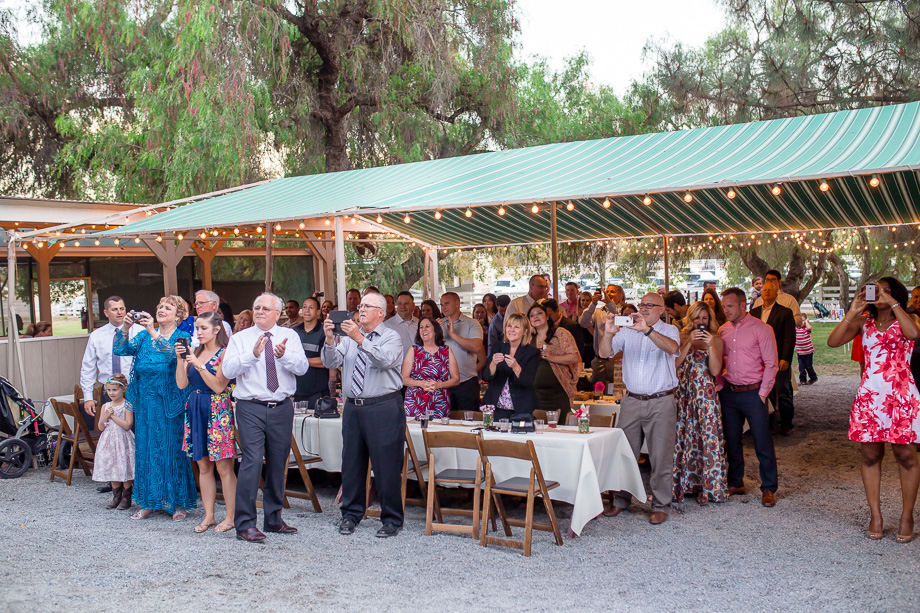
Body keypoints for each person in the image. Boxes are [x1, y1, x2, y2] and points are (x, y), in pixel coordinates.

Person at [828, 278, 920, 543]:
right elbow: (833, 342)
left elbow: (913, 335)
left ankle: (907, 516)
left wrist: (892, 303)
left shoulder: (907, 320)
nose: (878, 293)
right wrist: (852, 311)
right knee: (870, 456)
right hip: (871, 397)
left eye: (885, 289)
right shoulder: (863, 323)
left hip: (901, 396)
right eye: (875, 289)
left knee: (906, 456)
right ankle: (876, 515)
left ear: (897, 295)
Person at [221, 292, 309, 543]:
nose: (258, 311)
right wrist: (253, 354)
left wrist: (284, 356)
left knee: (278, 462)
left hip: (282, 406)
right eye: (256, 307)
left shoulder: (290, 336)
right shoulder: (239, 338)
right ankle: (245, 524)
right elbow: (227, 370)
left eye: (264, 308)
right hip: (251, 407)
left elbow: (302, 368)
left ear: (277, 313)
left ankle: (273, 519)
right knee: (251, 462)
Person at [322, 292, 405, 538]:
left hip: (383, 406)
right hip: (353, 407)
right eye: (360, 306)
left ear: (381, 312)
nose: (361, 309)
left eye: (367, 306)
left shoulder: (392, 336)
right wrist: (329, 340)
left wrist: (360, 339)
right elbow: (330, 362)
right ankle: (351, 514)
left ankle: (391, 519)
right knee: (351, 463)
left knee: (386, 465)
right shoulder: (348, 337)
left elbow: (385, 361)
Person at [598, 293, 680, 525]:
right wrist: (609, 333)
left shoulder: (669, 330)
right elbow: (605, 353)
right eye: (642, 304)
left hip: (661, 401)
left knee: (660, 456)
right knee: (625, 454)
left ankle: (660, 505)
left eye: (649, 306)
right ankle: (621, 501)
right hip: (632, 400)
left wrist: (647, 331)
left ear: (661, 310)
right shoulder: (627, 331)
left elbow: (673, 348)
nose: (643, 309)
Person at [114, 296, 197, 520]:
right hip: (146, 403)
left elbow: (172, 354)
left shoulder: (183, 336)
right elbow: (120, 349)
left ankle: (176, 503)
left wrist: (153, 331)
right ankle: (149, 502)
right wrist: (126, 326)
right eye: (159, 306)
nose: (161, 310)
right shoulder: (141, 336)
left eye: (167, 308)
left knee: (170, 451)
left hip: (170, 403)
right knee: (147, 451)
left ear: (179, 315)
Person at [175, 312, 236, 534]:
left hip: (217, 408)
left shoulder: (225, 353)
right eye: (196, 329)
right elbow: (182, 384)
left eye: (203, 328)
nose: (198, 333)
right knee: (202, 464)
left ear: (216, 329)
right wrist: (181, 360)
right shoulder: (195, 351)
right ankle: (209, 515)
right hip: (194, 405)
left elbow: (220, 386)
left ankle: (230, 516)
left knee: (223, 466)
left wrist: (199, 366)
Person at [718, 287, 779, 508]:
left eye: (730, 306)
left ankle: (769, 487)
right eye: (724, 306)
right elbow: (721, 362)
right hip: (729, 393)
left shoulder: (761, 329)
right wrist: (720, 387)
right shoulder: (723, 330)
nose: (726, 310)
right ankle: (735, 482)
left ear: (743, 305)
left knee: (762, 441)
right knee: (732, 440)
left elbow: (772, 364)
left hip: (754, 392)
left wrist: (762, 394)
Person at [672, 302, 727, 504]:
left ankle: (708, 487)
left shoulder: (717, 340)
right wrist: (688, 343)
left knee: (706, 437)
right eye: (697, 318)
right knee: (684, 435)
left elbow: (715, 371)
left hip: (705, 396)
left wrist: (711, 345)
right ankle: (684, 484)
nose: (701, 322)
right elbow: (674, 365)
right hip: (684, 394)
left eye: (705, 318)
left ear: (709, 320)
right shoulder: (681, 337)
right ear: (691, 319)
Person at [80, 296, 143, 418]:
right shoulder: (96, 336)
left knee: (136, 431)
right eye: (114, 309)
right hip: (109, 391)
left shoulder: (140, 332)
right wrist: (88, 397)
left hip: (134, 388)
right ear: (106, 313)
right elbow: (88, 367)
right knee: (112, 430)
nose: (119, 312)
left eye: (122, 308)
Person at [750, 281, 796, 435]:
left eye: (770, 290)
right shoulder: (753, 312)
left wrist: (786, 358)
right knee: (764, 392)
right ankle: (767, 423)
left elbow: (790, 338)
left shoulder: (785, 312)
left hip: (778, 358)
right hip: (758, 360)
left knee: (782, 390)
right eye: (764, 290)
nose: (767, 292)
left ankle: (786, 423)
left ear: (777, 293)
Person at [527, 303, 581, 422]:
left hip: (559, 393)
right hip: (536, 395)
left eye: (539, 313)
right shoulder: (529, 338)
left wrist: (552, 358)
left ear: (547, 317)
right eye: (531, 315)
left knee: (560, 429)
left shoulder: (560, 333)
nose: (535, 316)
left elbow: (574, 358)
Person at [481, 313, 540, 420]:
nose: (511, 330)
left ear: (525, 331)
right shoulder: (498, 346)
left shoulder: (532, 352)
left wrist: (516, 366)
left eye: (516, 327)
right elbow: (486, 376)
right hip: (496, 408)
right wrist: (493, 363)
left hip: (521, 409)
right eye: (509, 326)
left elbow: (527, 382)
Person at [91, 375, 135, 510]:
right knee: (113, 466)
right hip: (109, 440)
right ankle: (116, 497)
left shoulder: (127, 405)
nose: (111, 393)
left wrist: (113, 416)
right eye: (109, 390)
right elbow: (101, 427)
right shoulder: (105, 406)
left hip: (123, 439)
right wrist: (105, 415)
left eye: (114, 390)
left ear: (123, 389)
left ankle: (126, 498)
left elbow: (127, 425)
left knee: (124, 465)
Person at [402, 317, 460, 418]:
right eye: (421, 327)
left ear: (435, 330)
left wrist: (439, 385)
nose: (423, 329)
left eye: (427, 326)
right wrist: (421, 383)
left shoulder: (446, 350)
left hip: (439, 402)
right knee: (414, 432)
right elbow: (403, 379)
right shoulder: (414, 350)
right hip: (415, 403)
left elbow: (456, 379)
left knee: (437, 433)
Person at [438, 292, 485, 414]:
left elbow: (477, 347)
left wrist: (453, 335)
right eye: (441, 304)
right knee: (445, 422)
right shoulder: (438, 325)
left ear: (457, 303)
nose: (443, 307)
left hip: (466, 382)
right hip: (443, 382)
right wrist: (433, 332)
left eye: (447, 303)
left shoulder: (472, 323)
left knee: (469, 421)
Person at [580, 284, 625, 385]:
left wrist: (610, 303)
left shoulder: (624, 311)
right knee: (597, 393)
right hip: (599, 360)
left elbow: (620, 317)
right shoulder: (597, 311)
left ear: (620, 295)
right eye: (607, 291)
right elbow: (583, 323)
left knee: (617, 393)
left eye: (612, 292)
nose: (608, 294)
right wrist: (593, 303)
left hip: (618, 361)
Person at [292, 297, 330, 408]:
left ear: (318, 312)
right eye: (304, 307)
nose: (307, 310)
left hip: (318, 393)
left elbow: (325, 361)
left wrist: (301, 361)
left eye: (311, 307)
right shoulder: (293, 332)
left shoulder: (325, 332)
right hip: (296, 392)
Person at [545, 298, 590, 368]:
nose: (547, 318)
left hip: (567, 367)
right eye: (545, 316)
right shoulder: (544, 326)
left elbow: (579, 351)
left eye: (549, 315)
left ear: (557, 310)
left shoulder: (572, 326)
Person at [382, 291, 418, 360]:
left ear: (413, 305)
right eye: (400, 304)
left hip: (420, 369)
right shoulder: (387, 326)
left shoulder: (420, 324)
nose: (403, 307)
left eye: (406, 303)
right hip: (398, 370)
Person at [795, 313, 818, 386]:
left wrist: (807, 322)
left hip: (808, 351)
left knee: (808, 366)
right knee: (801, 367)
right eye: (800, 321)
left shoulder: (806, 329)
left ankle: (813, 377)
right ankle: (803, 380)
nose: (801, 322)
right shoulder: (796, 329)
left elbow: (809, 328)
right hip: (800, 351)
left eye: (802, 320)